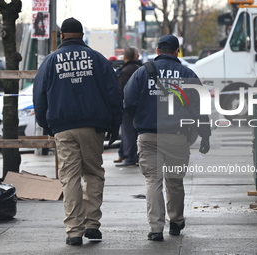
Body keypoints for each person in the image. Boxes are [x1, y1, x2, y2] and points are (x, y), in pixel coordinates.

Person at [33, 17, 122, 246]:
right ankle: (92, 224)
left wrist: (47, 125)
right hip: (93, 125)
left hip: (63, 126)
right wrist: (114, 124)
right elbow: (114, 93)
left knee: (70, 177)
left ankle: (74, 230)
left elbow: (39, 95)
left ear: (62, 35)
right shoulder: (97, 59)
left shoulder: (51, 61)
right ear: (82, 35)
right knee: (93, 173)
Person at [124, 35, 211, 241]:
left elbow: (128, 103)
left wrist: (142, 116)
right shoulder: (187, 73)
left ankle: (155, 229)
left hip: (148, 135)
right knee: (174, 181)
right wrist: (205, 135)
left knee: (152, 181)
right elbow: (200, 108)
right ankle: (176, 221)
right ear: (177, 51)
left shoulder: (141, 73)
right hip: (177, 136)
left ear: (157, 51)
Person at [115, 47, 141, 167]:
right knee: (134, 132)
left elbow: (120, 91)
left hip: (127, 107)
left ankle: (130, 157)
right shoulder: (140, 70)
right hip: (139, 106)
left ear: (125, 58)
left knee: (128, 132)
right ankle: (131, 155)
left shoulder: (124, 72)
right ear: (136, 56)